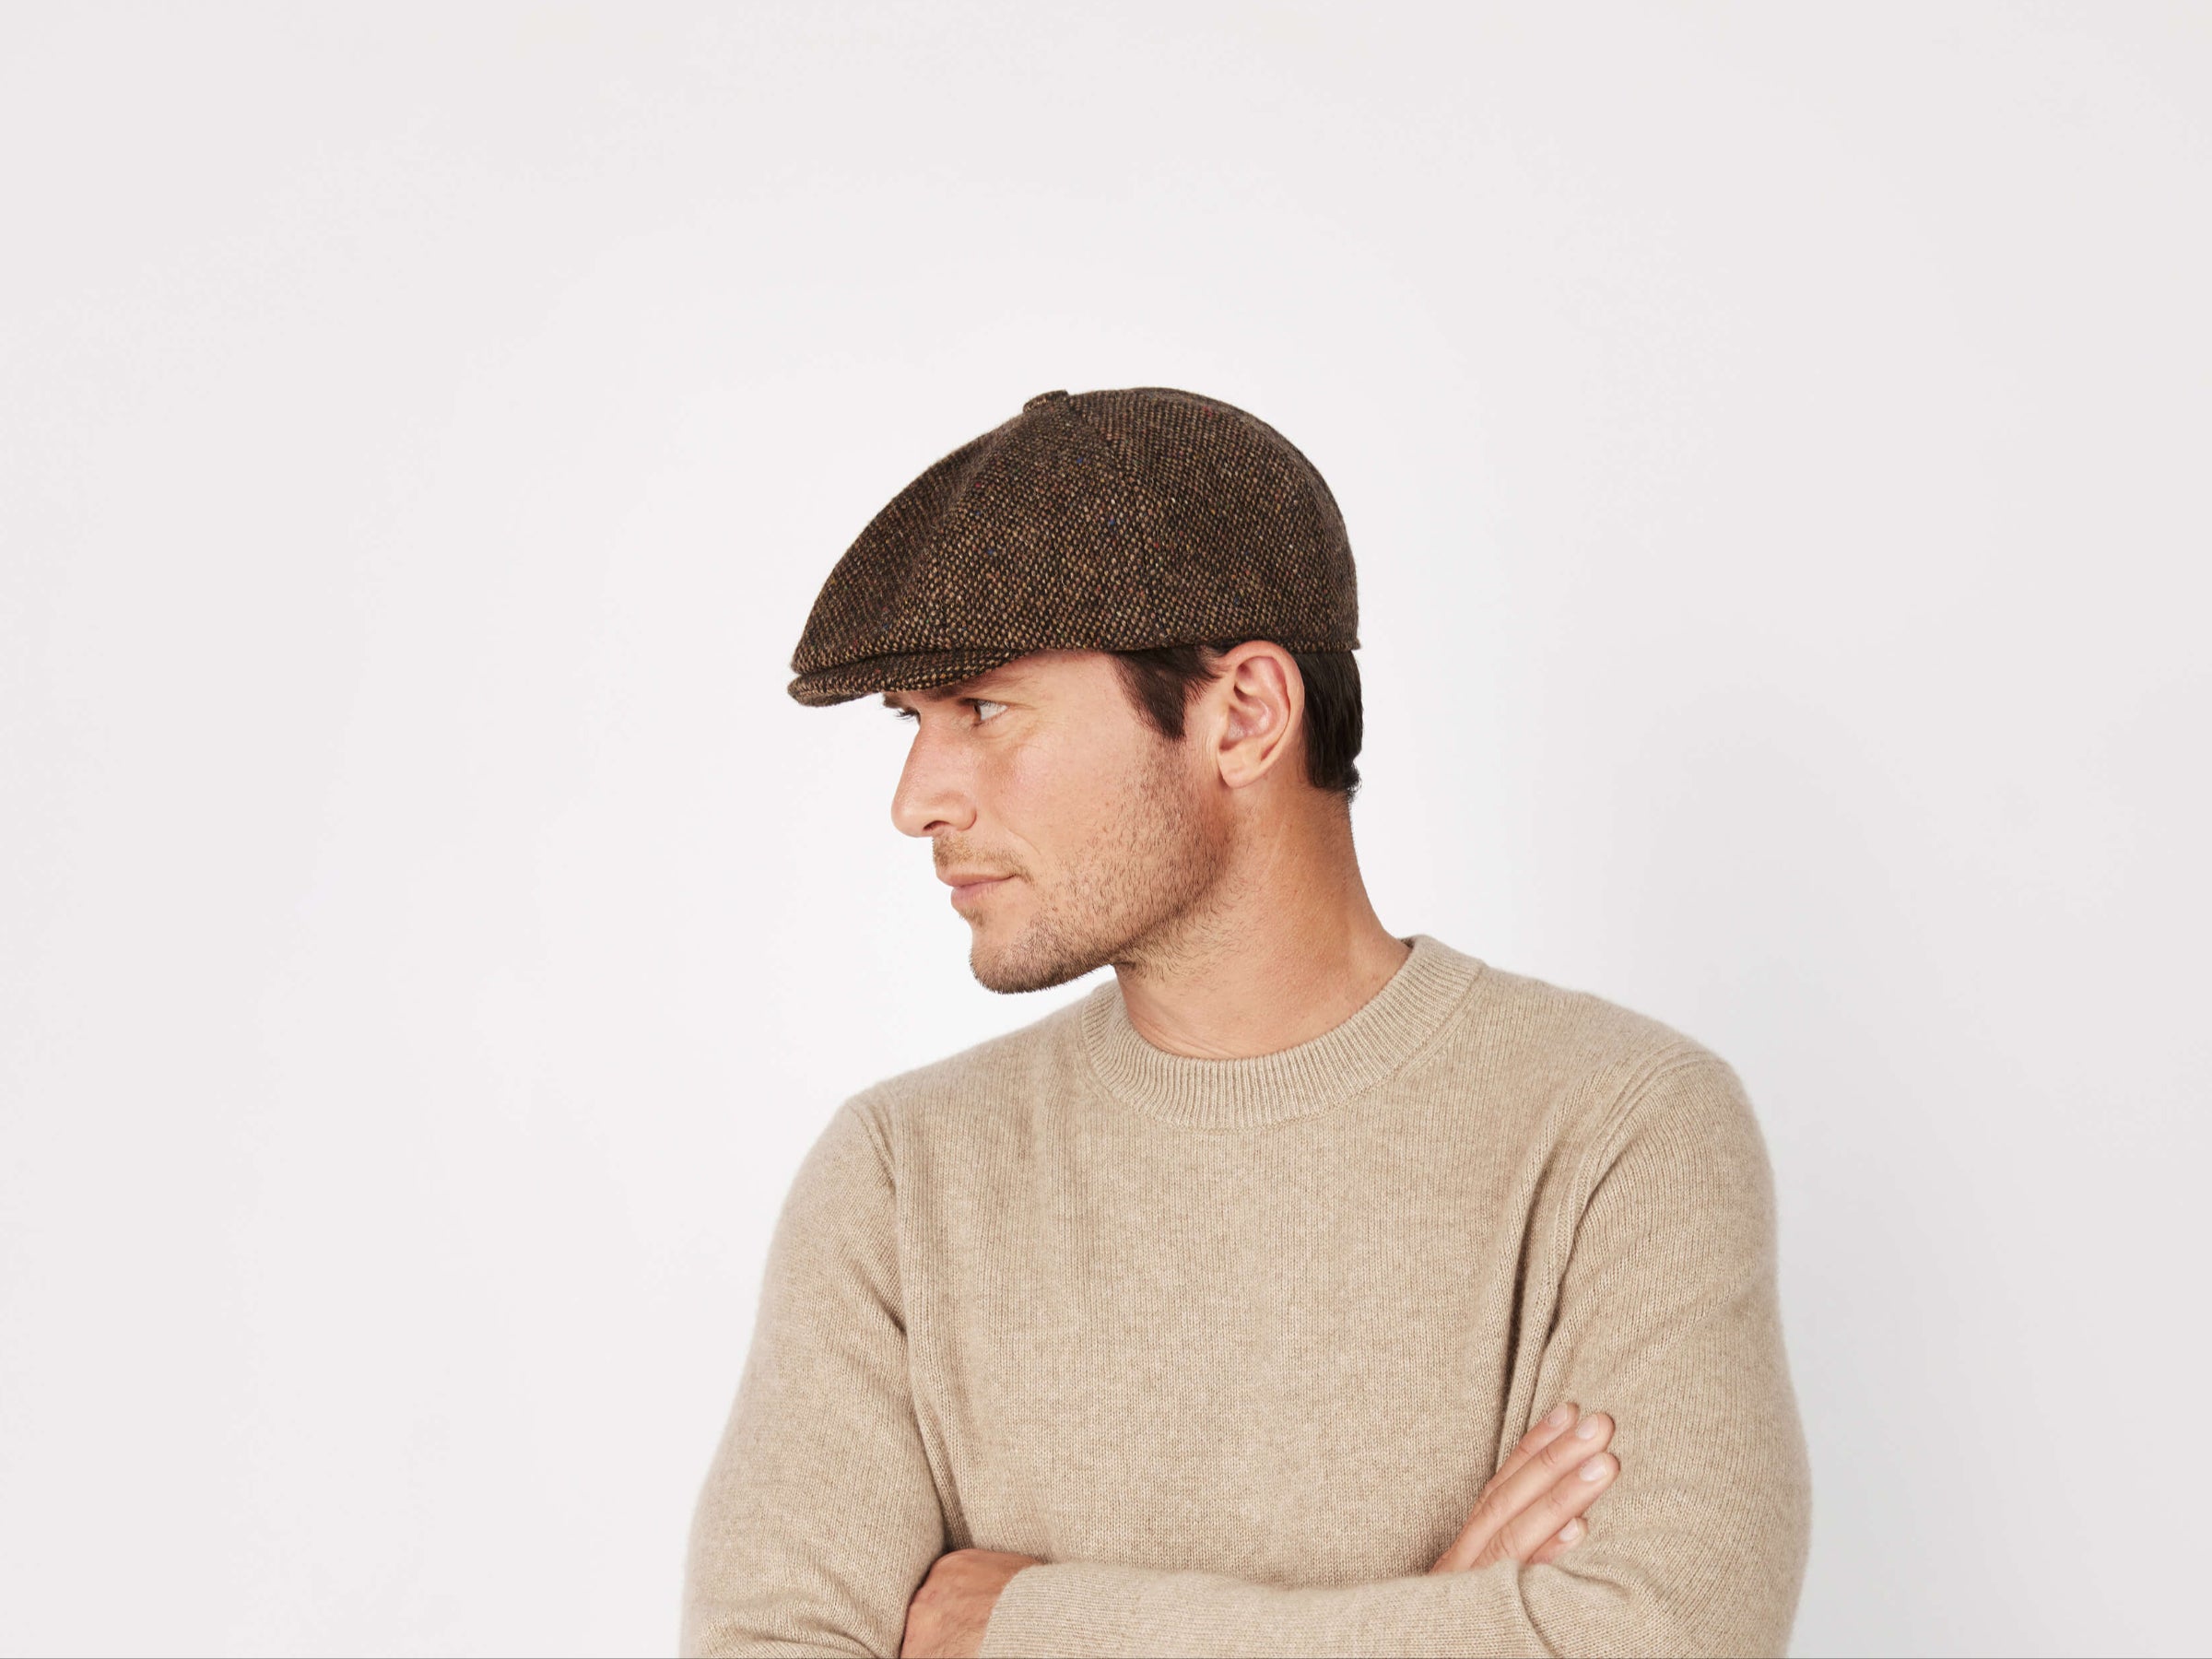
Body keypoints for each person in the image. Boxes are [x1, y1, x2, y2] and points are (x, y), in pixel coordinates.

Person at [680, 387, 1811, 1658]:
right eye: (914, 723)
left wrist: (1031, 1625)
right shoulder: (899, 1180)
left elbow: (1663, 1640)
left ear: (1247, 714)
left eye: (984, 710)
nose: (916, 801)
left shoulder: (1622, 1130)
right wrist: (1447, 1623)